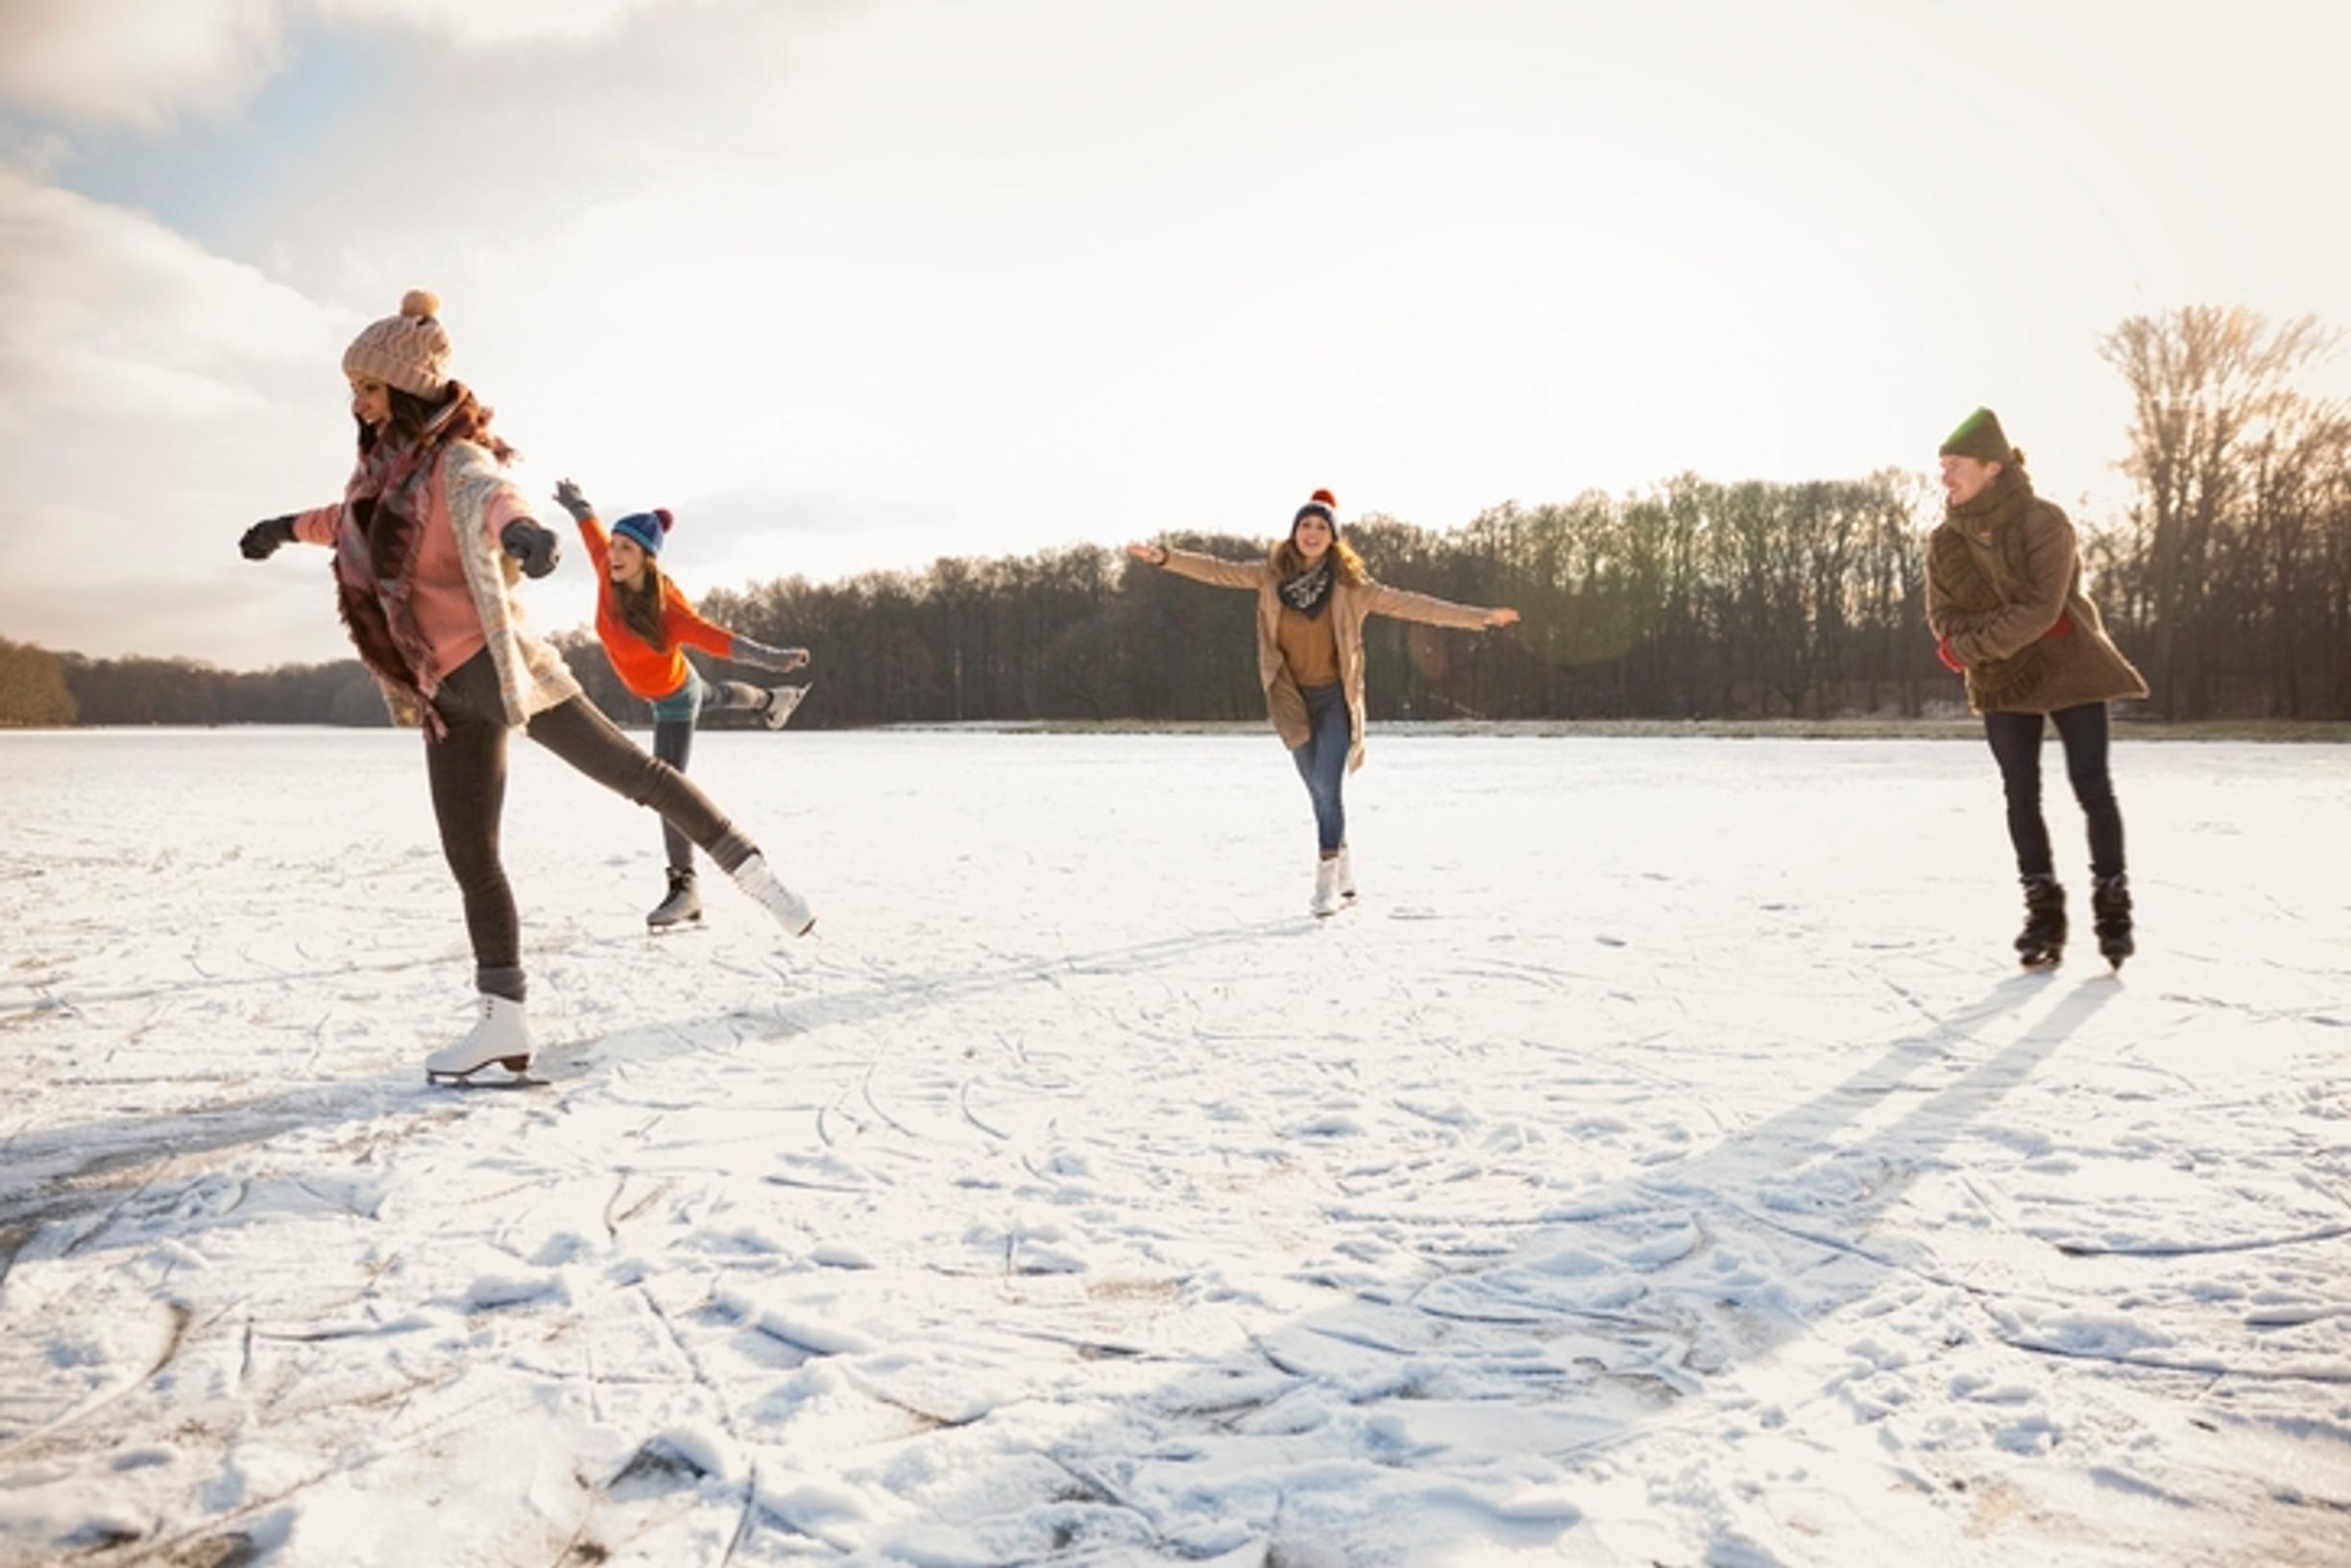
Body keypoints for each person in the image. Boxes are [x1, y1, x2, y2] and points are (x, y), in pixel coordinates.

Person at [238, 290, 816, 1084]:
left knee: (638, 776)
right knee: (472, 856)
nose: (358, 402)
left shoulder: (456, 462)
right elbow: (343, 519)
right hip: (443, 693)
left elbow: (495, 497)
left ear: (404, 387)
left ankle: (756, 874)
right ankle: (502, 1022)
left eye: (369, 387)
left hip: (504, 669)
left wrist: (524, 533)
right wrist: (279, 527)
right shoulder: (382, 478)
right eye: (353, 389)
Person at [1127, 489, 1520, 915]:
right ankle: (1346, 865)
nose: (1311, 533)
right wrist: (1165, 557)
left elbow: (1418, 607)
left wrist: (1479, 617)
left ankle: (1325, 884)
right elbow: (1217, 570)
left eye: (1320, 527)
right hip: (1290, 696)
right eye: (1305, 525)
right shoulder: (1270, 576)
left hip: (1334, 698)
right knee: (1317, 790)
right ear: (1294, 532)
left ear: (1333, 537)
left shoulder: (1354, 588)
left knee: (1328, 787)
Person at [1926, 407, 2149, 970]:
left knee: (2092, 786)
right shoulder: (1943, 543)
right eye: (1942, 466)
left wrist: (1967, 647)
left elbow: (2041, 611)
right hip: (2004, 682)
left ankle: (2112, 908)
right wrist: (1970, 643)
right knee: (2019, 793)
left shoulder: (2044, 523)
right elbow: (1944, 620)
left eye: (1954, 465)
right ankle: (2043, 912)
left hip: (2073, 667)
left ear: (1992, 467)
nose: (1944, 477)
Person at [552, 480, 812, 929]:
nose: (613, 554)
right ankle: (772, 704)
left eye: (626, 549)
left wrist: (773, 658)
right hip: (673, 687)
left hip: (673, 699)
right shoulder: (604, 569)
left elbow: (721, 640)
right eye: (614, 545)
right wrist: (578, 504)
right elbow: (590, 530)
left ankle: (684, 888)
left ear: (647, 558)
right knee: (718, 695)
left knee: (669, 790)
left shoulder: (668, 611)